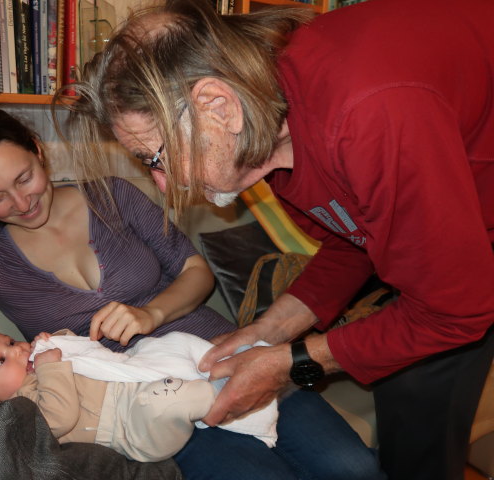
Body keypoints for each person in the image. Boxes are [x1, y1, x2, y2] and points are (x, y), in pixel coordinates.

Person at [61, 1, 494, 479]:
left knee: (417, 393)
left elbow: (454, 309)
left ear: (217, 105)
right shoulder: (273, 145)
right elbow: (354, 243)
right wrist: (268, 331)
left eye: (155, 158)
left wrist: (290, 363)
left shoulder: (366, 113)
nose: (165, 185)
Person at [0, 104, 385, 479]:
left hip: (226, 355)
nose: (20, 203)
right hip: (147, 410)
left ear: (39, 152)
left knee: (353, 467)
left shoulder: (111, 195)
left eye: (24, 177)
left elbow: (195, 271)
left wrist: (151, 313)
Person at [0, 328, 278, 462]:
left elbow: (91, 356)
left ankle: (223, 371)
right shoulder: (21, 408)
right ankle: (220, 396)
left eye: (10, 342)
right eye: (2, 360)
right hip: (133, 431)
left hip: (133, 392)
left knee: (171, 352)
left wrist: (60, 340)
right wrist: (50, 367)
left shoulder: (37, 362)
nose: (17, 350)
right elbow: (61, 416)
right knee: (170, 399)